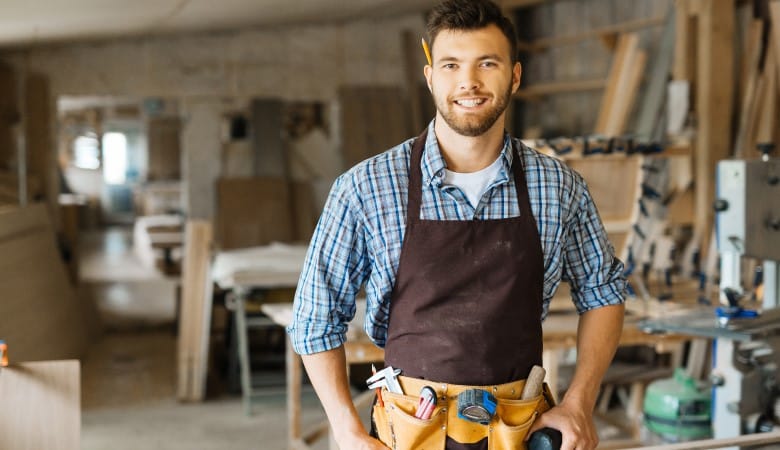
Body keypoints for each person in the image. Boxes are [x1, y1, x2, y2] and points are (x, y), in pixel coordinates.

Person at [286, 0, 626, 449]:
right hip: (410, 429)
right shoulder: (366, 188)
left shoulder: (559, 187)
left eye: (487, 63)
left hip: (520, 428)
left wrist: (579, 403)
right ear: (431, 77)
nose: (469, 82)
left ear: (516, 75)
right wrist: (347, 431)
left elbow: (603, 293)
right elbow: (315, 317)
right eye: (451, 65)